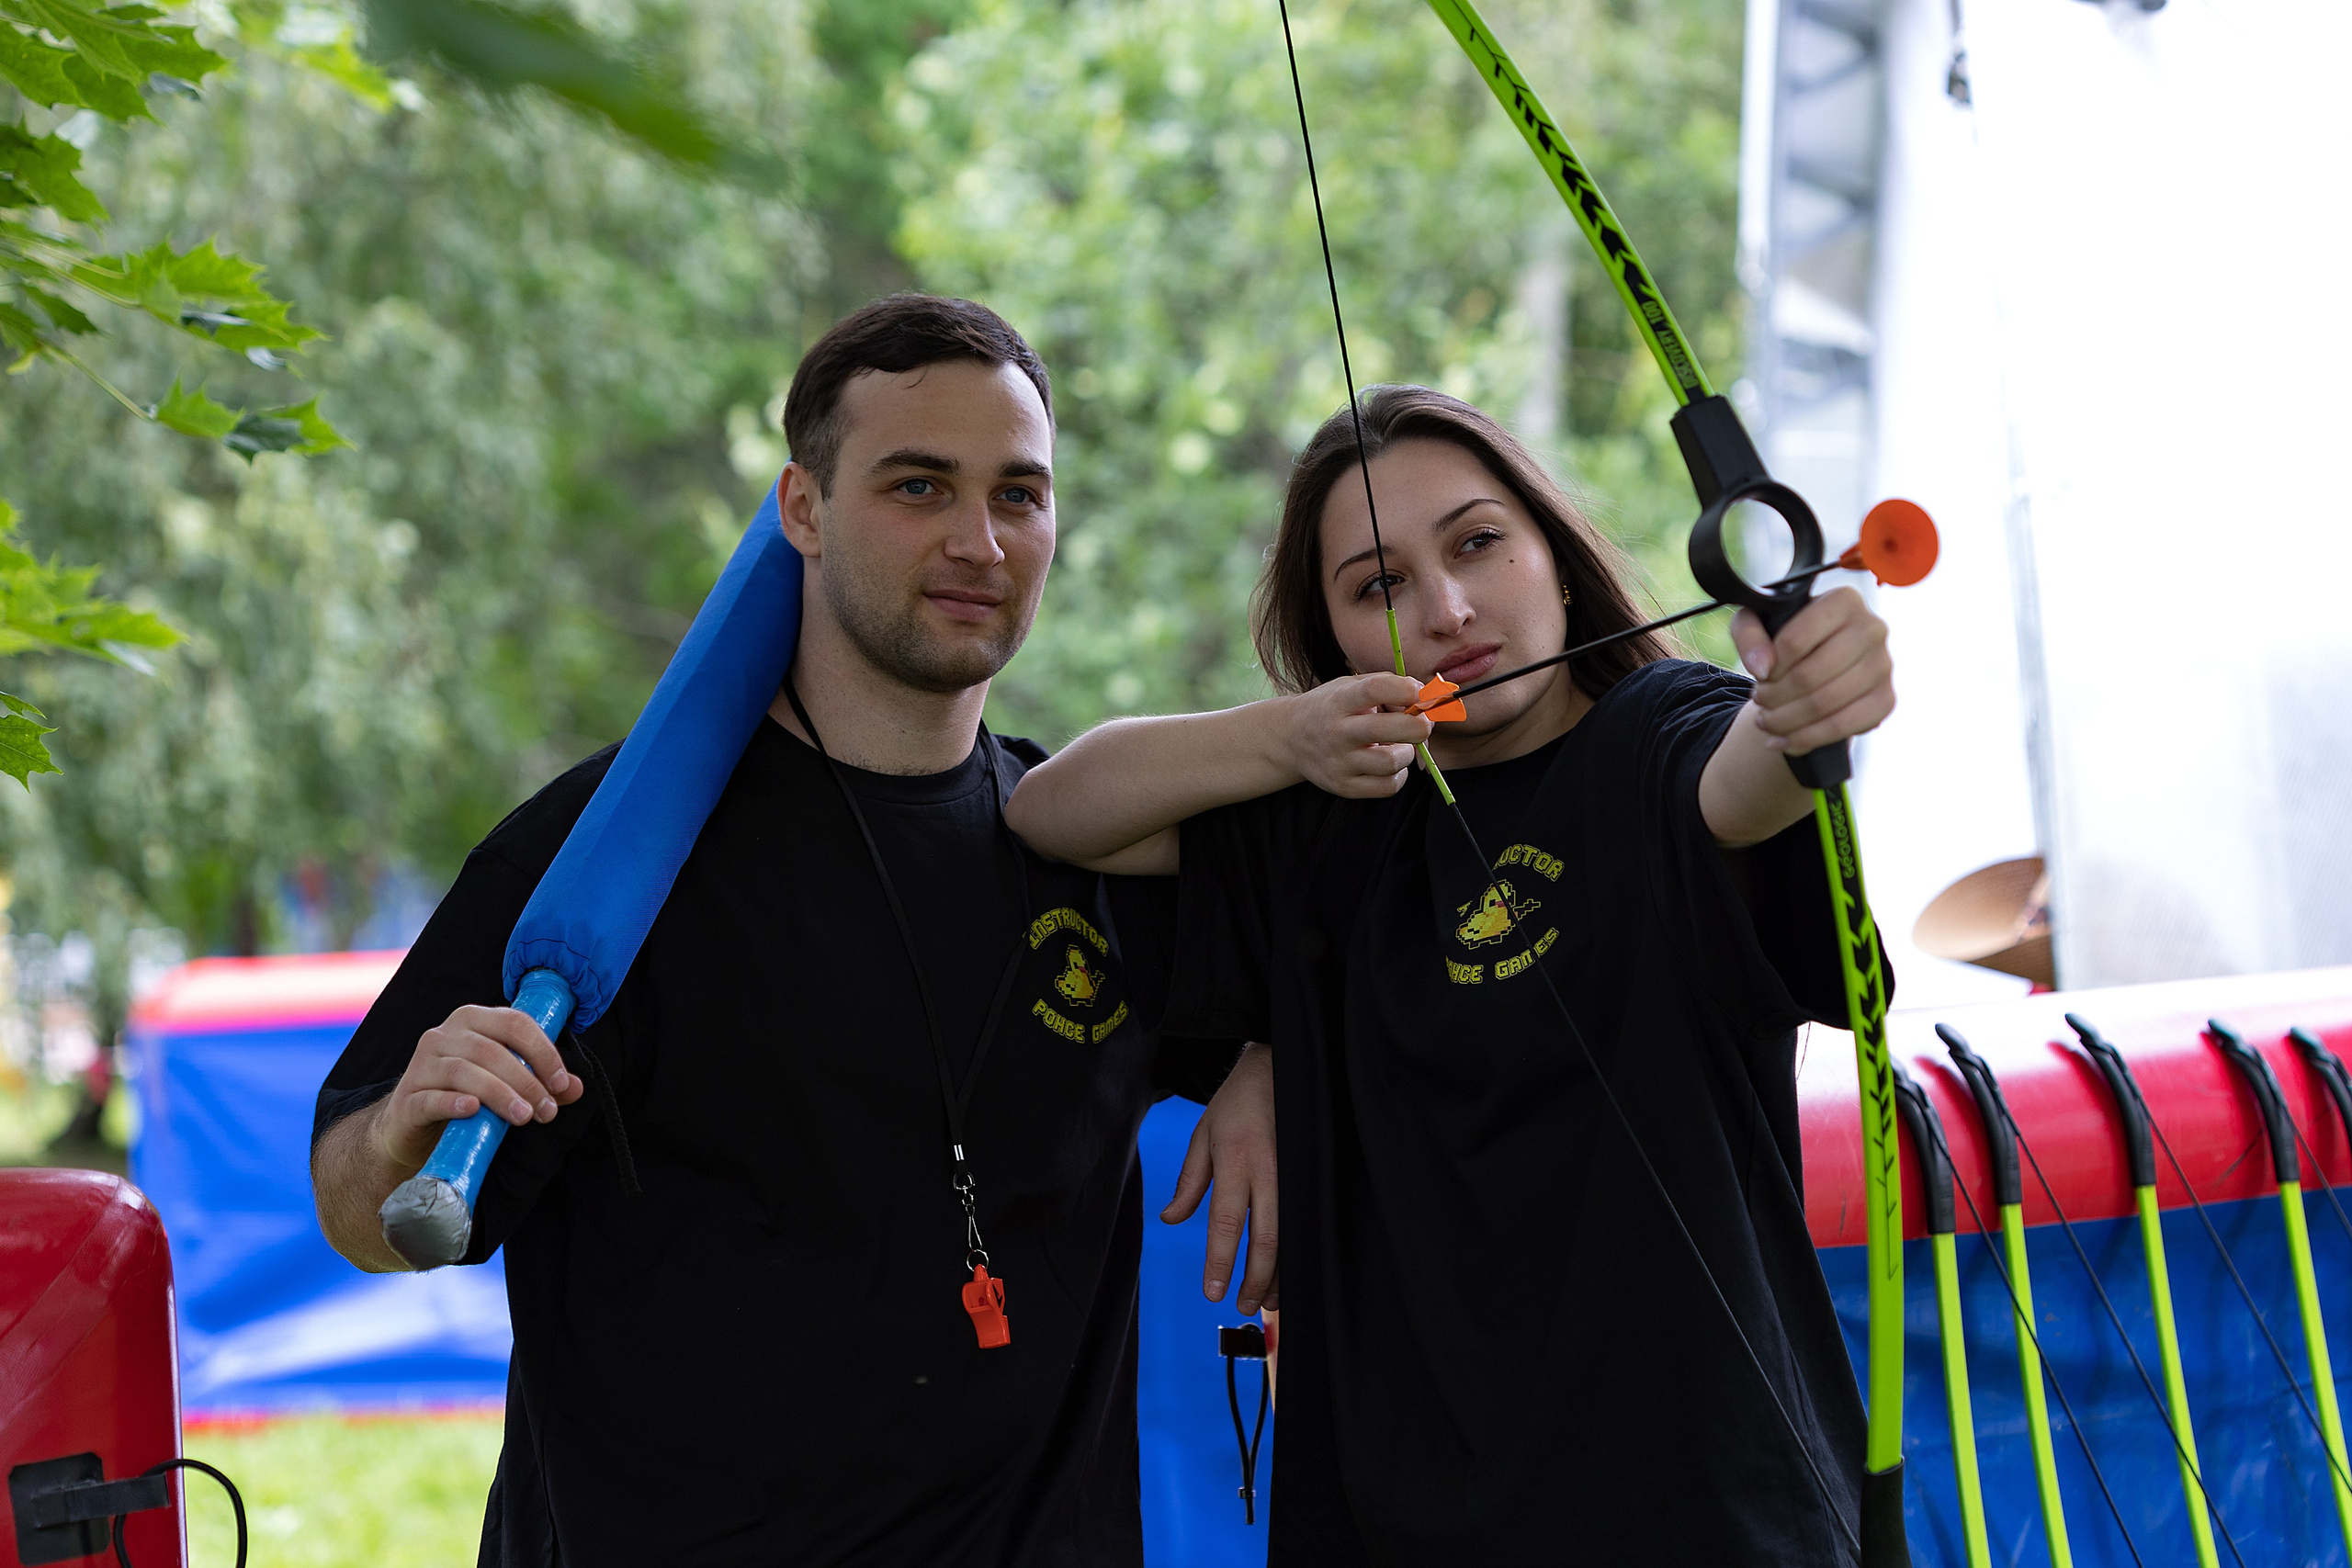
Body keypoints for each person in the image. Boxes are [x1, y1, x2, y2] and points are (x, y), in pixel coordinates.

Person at [310, 294, 1275, 1567]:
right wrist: (399, 1131)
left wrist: (1278, 1059)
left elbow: (1382, 986)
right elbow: (360, 1205)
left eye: (1020, 495)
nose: (979, 539)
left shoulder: (1097, 851)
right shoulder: (613, 852)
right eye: (918, 486)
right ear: (802, 510)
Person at [1003, 383, 1899, 1562]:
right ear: (1335, 646)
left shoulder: (1657, 732)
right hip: (1396, 1521)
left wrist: (1798, 711)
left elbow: (1735, 781)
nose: (1448, 608)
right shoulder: (1333, 817)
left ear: (1553, 553)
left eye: (1479, 542)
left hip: (1699, 1511)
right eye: (1379, 586)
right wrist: (1290, 742)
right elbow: (1051, 810)